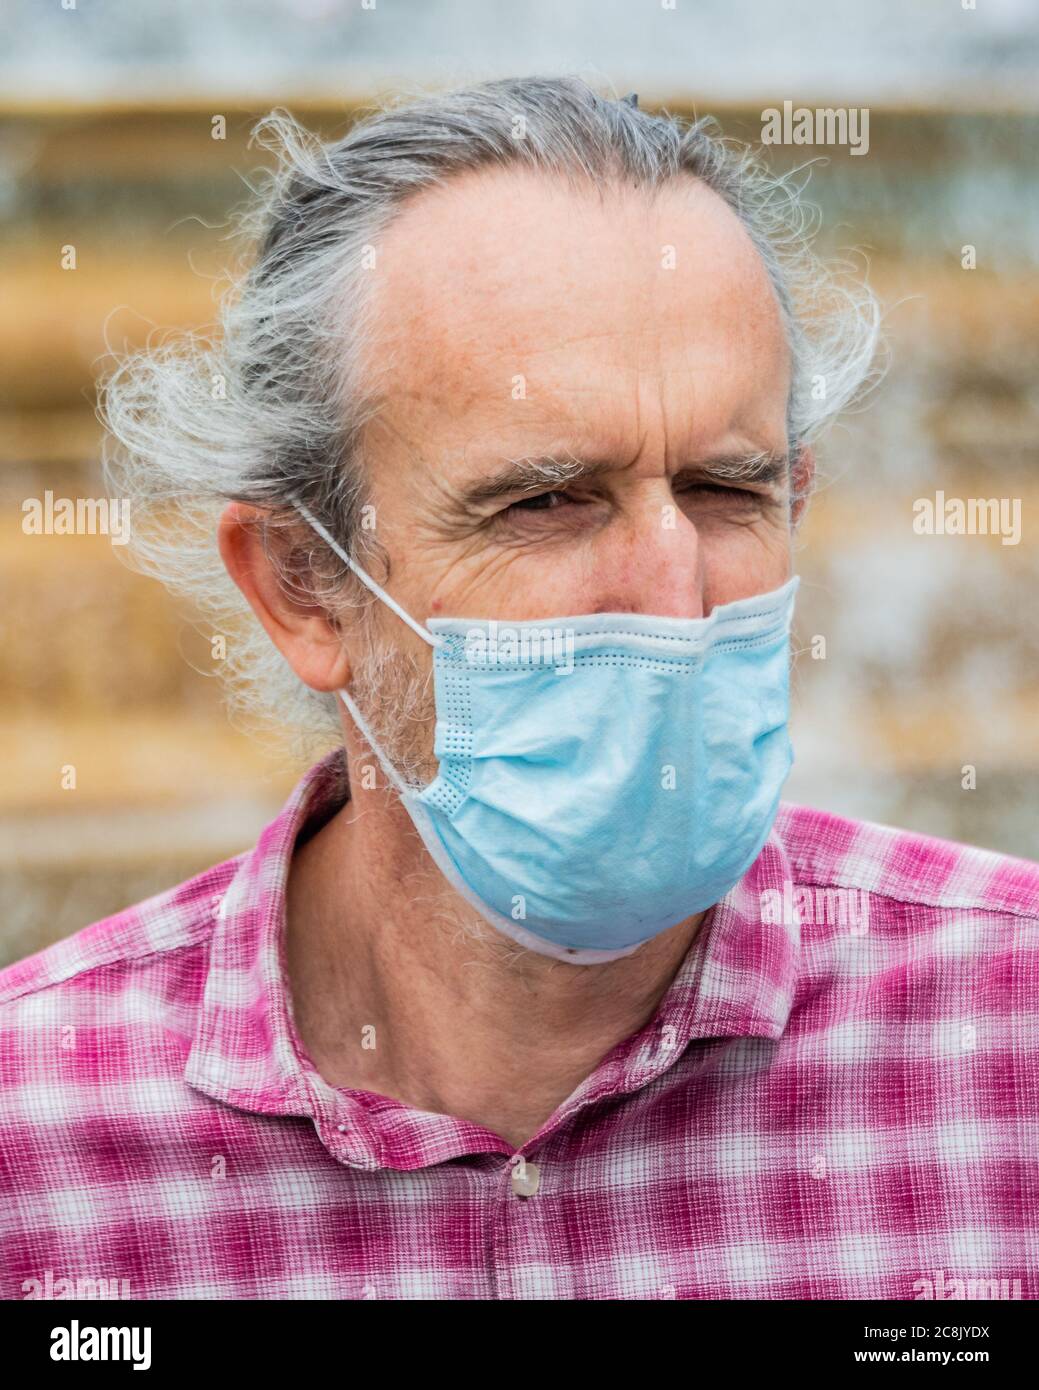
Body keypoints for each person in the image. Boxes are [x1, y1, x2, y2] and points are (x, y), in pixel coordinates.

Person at [2, 77, 1036, 1301]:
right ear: (301, 584)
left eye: (726, 491)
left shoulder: (1006, 1042)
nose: (674, 593)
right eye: (546, 500)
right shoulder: (38, 1148)